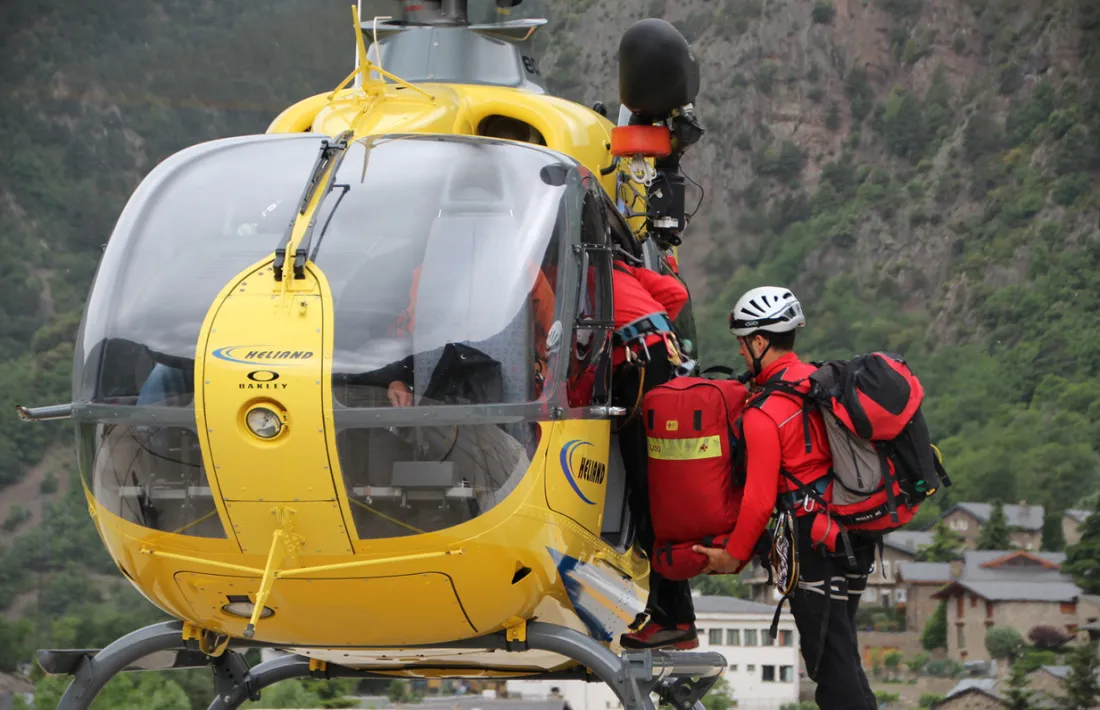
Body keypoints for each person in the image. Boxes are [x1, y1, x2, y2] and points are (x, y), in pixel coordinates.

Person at [692, 286, 877, 710]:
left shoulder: (765, 412)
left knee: (831, 667)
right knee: (842, 657)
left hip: (815, 544)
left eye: (743, 343)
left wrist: (732, 557)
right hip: (854, 534)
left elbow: (759, 500)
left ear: (760, 342)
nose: (740, 352)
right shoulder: (821, 382)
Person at [611, 253, 699, 651]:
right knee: (657, 492)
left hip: (638, 367)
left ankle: (672, 618)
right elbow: (675, 293)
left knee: (648, 497)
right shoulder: (620, 268)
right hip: (663, 362)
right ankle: (674, 616)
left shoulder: (560, 273)